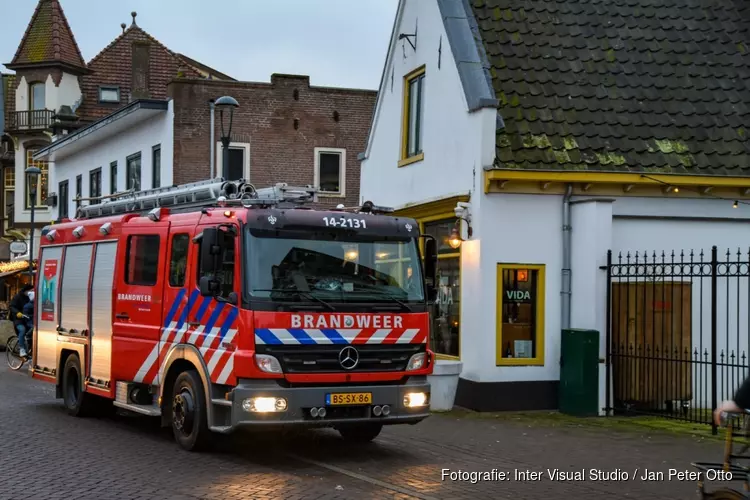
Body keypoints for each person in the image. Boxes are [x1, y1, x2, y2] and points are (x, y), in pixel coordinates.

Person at [10, 284, 33, 358]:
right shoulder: (17, 297)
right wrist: (17, 313)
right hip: (18, 319)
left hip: (28, 319)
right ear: (25, 291)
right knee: (22, 330)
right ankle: (22, 349)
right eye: (30, 290)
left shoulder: (31, 298)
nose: (31, 292)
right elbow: (12, 306)